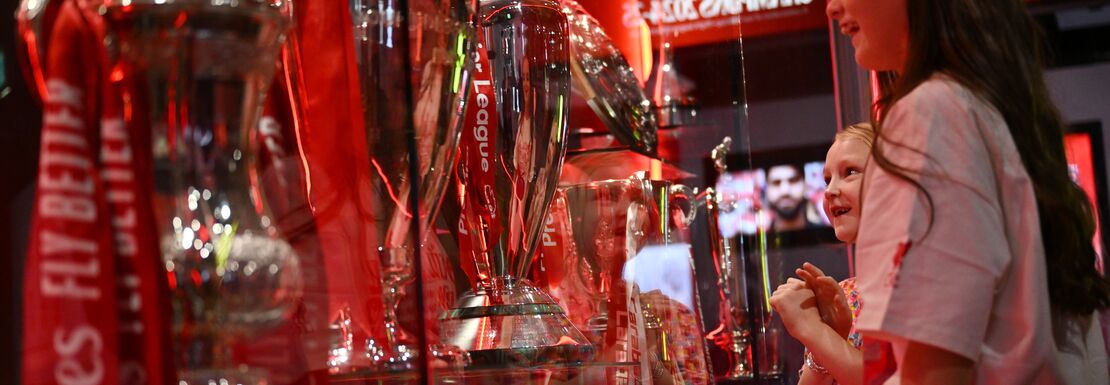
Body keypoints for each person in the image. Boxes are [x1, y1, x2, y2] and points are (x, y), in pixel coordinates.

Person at [825, 0, 1110, 384]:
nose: (831, 8)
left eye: (850, 173)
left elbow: (936, 371)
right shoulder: (986, 110)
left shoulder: (932, 113)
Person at [771, 123, 874, 385]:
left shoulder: (918, 280)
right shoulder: (845, 293)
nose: (830, 191)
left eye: (850, 172)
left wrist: (811, 329)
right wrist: (827, 338)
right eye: (827, 179)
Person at [766, 163, 822, 232]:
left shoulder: (823, 235)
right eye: (776, 182)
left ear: (805, 185)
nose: (785, 191)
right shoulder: (761, 237)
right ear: (767, 190)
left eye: (793, 180)